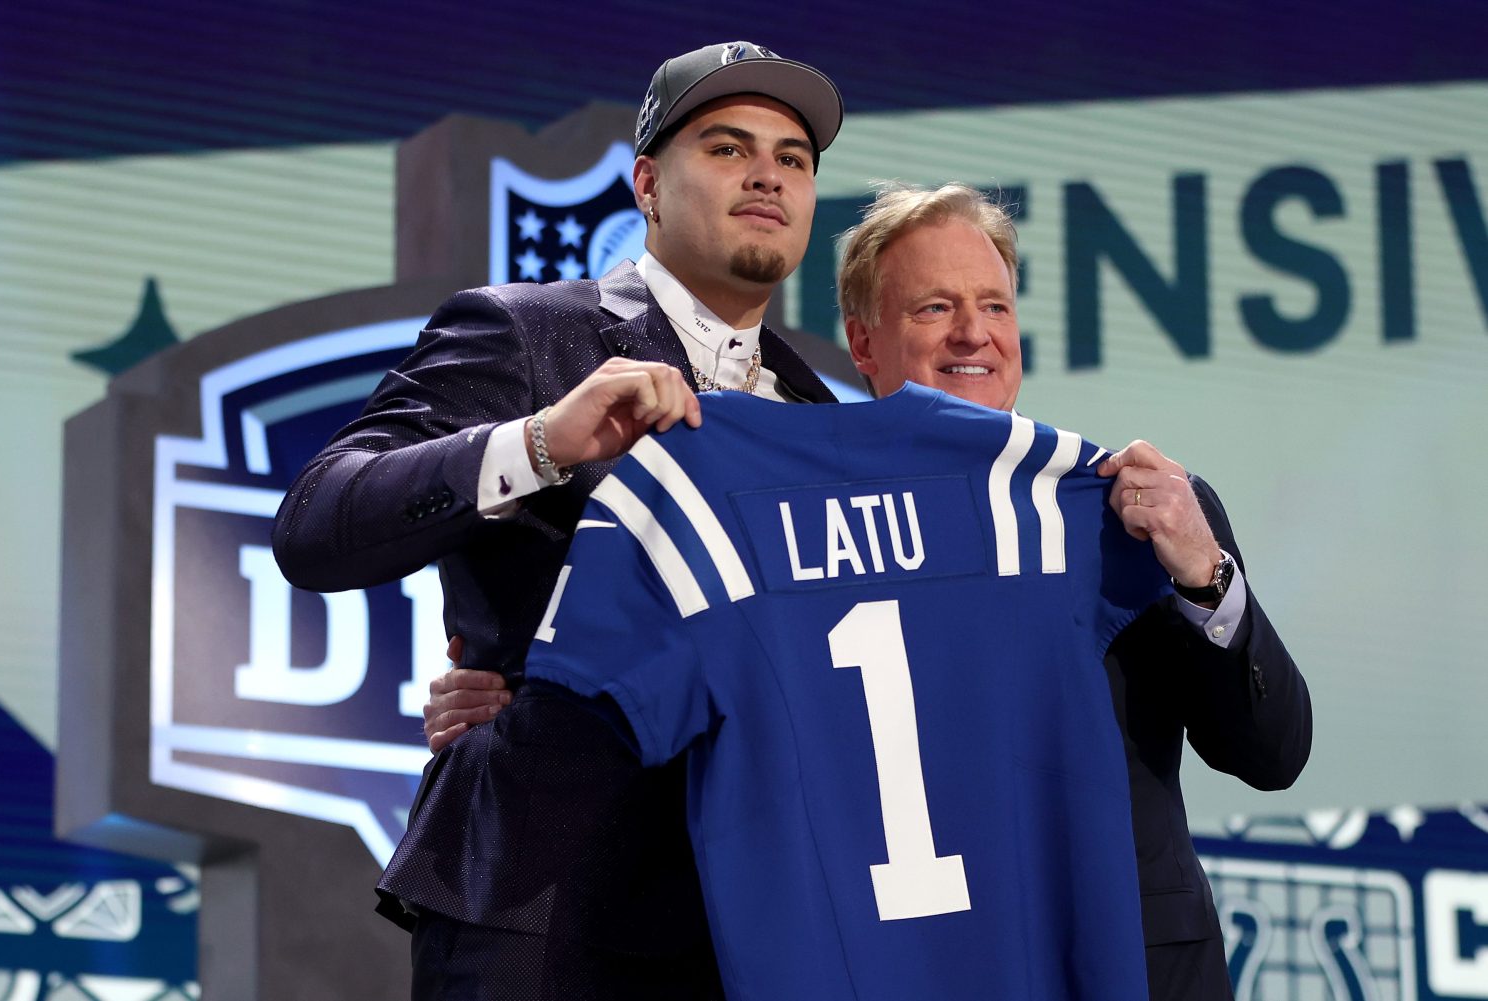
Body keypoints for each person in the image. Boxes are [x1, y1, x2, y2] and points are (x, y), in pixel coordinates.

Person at [427, 184, 1313, 1000]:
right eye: (936, 308)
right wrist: (515, 718)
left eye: (994, 306)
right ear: (862, 342)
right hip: (887, 964)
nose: (974, 333)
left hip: (1116, 960)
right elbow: (662, 714)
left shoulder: (1123, 505)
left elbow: (1274, 754)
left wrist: (1206, 576)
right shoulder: (771, 520)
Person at [271, 41, 844, 1000]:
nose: (766, 175)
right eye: (728, 147)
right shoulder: (526, 329)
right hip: (545, 905)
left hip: (757, 920)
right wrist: (540, 442)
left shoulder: (819, 415)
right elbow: (319, 519)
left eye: (793, 158)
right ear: (648, 186)